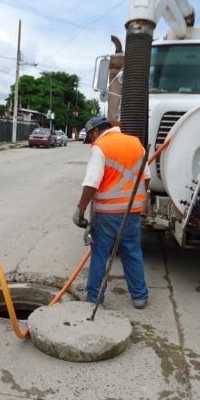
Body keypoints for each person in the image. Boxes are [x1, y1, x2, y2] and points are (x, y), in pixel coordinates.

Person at [72, 116, 150, 309]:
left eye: (90, 137)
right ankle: (139, 296)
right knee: (132, 251)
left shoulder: (101, 146)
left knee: (100, 253)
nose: (91, 141)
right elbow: (145, 178)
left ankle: (95, 297)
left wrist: (80, 209)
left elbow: (92, 182)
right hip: (132, 211)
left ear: (95, 131)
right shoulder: (136, 144)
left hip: (106, 212)